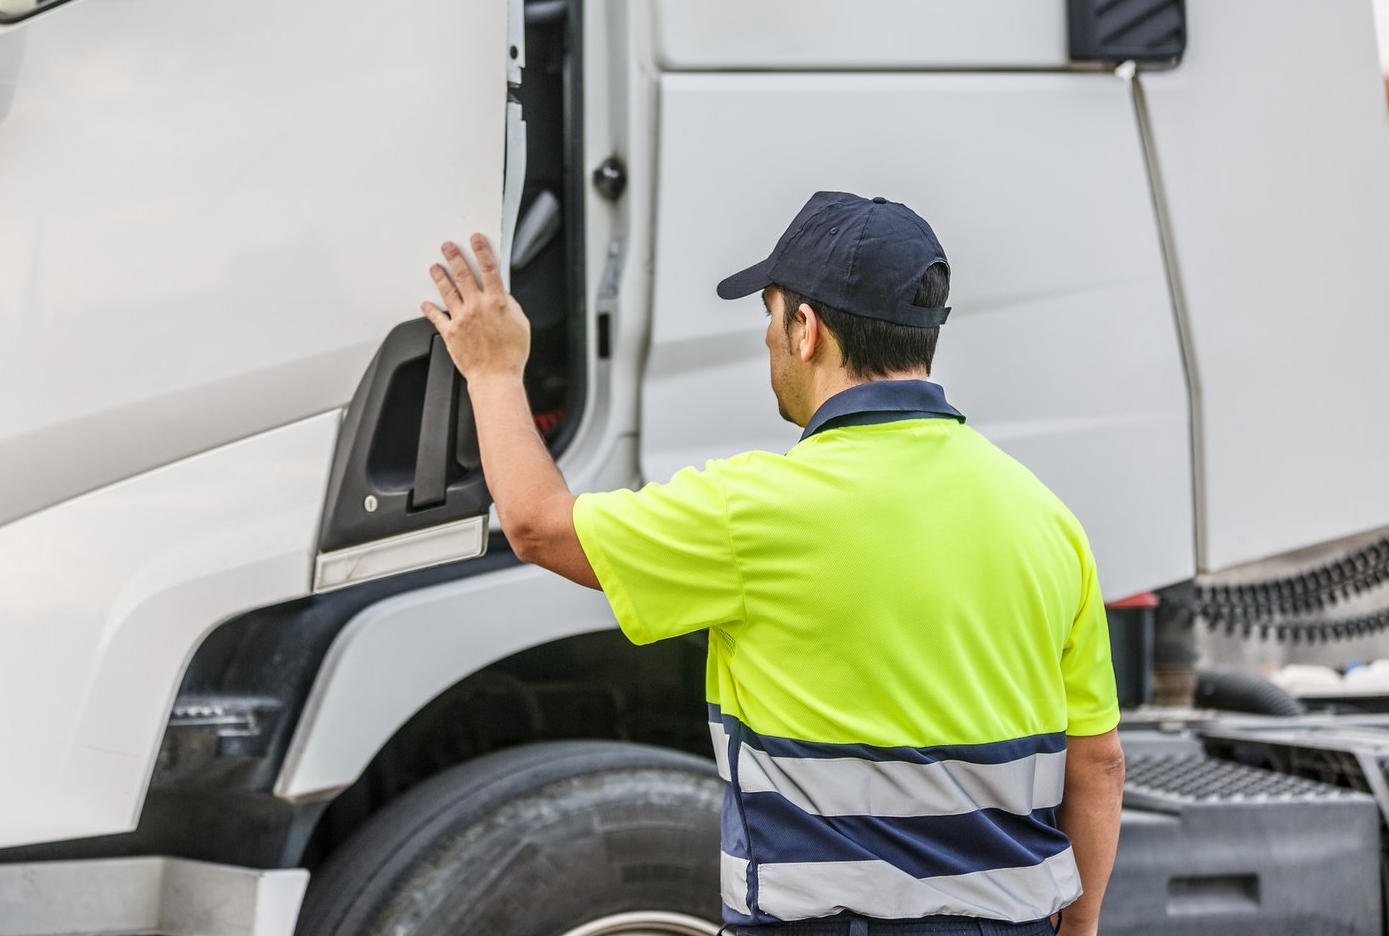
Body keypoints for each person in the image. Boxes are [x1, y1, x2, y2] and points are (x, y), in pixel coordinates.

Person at [420, 192, 1125, 936]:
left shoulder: (753, 511)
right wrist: (1075, 931)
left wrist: (494, 373)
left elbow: (536, 526)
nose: (767, 339)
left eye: (769, 313)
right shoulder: (1045, 519)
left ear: (806, 328)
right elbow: (1099, 765)